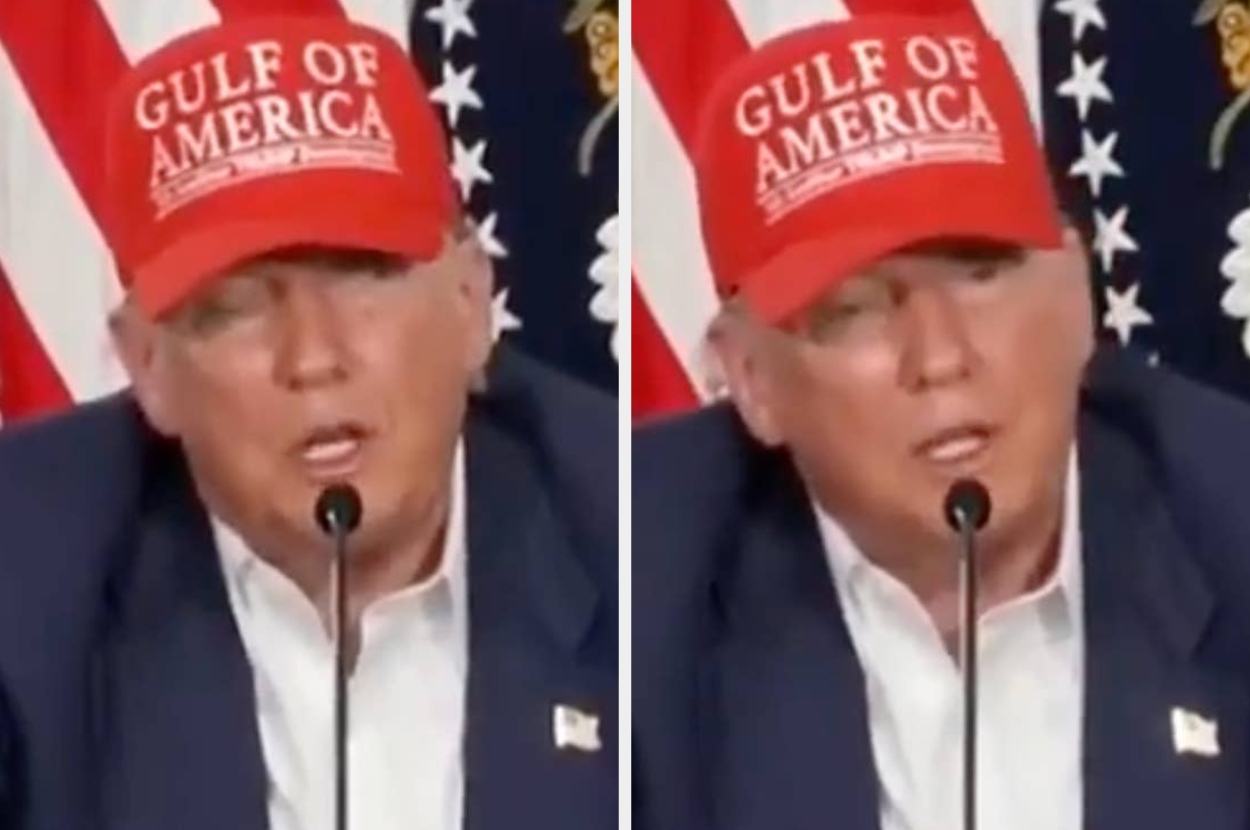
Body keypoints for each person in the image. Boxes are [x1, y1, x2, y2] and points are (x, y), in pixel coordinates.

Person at [634, 12, 1250, 830]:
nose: (941, 356)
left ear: (1079, 294)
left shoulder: (1228, 515)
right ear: (752, 380)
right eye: (854, 309)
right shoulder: (632, 575)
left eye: (981, 272)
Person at [0, 16, 617, 830]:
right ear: (148, 365)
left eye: (362, 275)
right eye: (235, 308)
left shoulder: (636, 537)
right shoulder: (27, 582)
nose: (314, 357)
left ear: (472, 303)